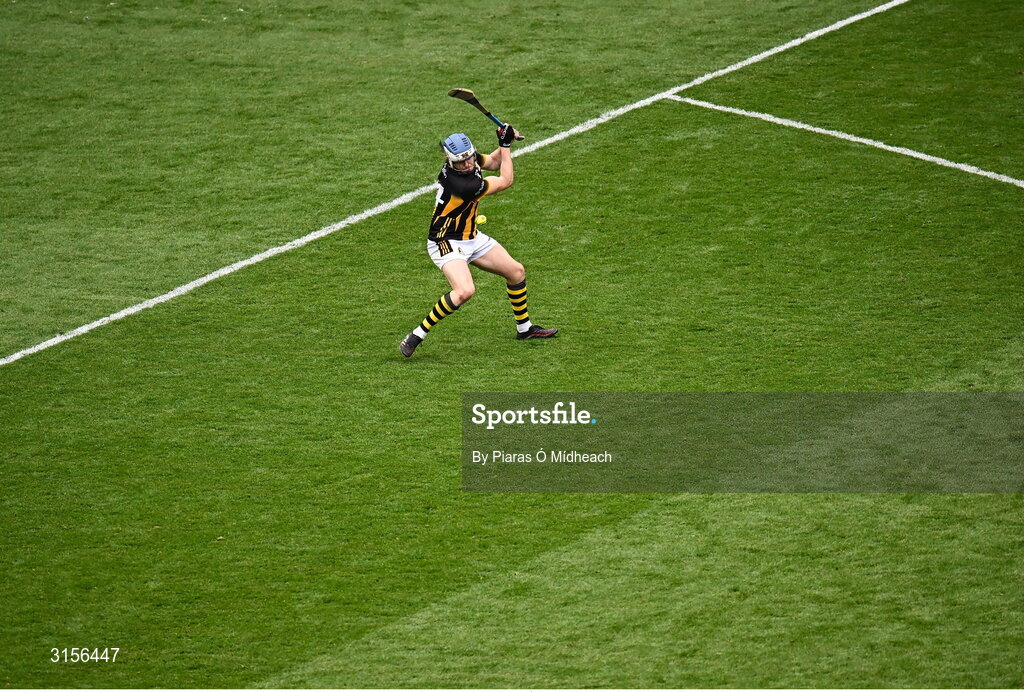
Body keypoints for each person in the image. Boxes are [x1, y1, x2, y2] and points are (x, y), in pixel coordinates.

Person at [399, 123, 558, 357]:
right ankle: (417, 334)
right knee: (464, 291)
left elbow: (492, 162)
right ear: (450, 162)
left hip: (471, 236)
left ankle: (525, 329)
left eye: (470, 158)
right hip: (446, 241)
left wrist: (504, 141)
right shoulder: (463, 184)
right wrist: (505, 145)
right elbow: (506, 179)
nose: (467, 164)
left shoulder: (469, 161)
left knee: (516, 272)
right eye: (461, 162)